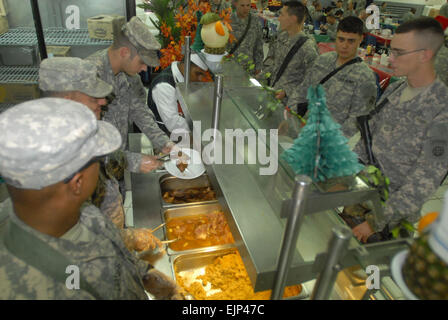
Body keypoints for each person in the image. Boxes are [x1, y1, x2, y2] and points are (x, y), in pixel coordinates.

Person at [0, 98, 184, 299]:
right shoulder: (36, 288)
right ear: (78, 182)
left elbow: (103, 246)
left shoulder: (73, 213)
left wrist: (148, 273)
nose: (103, 166)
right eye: (98, 160)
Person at [38, 57, 162, 253]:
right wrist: (129, 238)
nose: (103, 102)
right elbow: (78, 234)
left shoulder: (78, 128)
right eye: (93, 97)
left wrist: (135, 161)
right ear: (68, 101)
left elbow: (104, 157)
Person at [353, 17, 448, 243]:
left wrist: (376, 220)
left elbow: (424, 181)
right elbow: (367, 137)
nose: (390, 58)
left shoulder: (442, 108)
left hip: (388, 222)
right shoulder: (396, 89)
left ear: (424, 55)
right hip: (359, 200)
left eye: (398, 52)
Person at [85, 17, 174, 180]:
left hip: (117, 166)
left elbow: (139, 110)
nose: (145, 68)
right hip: (92, 175)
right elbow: (86, 140)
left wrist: (162, 142)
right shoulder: (89, 77)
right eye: (142, 61)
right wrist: (132, 161)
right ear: (125, 52)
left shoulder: (130, 76)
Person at [288, 16, 377, 139]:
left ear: (361, 39)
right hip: (304, 129)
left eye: (351, 41)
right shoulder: (323, 60)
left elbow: (357, 120)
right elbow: (302, 90)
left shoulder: (365, 76)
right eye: (341, 39)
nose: (344, 46)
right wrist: (290, 117)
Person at [261, 1, 318, 106]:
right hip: (272, 95)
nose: (278, 18)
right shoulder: (281, 37)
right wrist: (260, 77)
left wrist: (287, 92)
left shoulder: (308, 48)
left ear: (293, 19)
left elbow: (312, 82)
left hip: (289, 105)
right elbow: (272, 62)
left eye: (282, 15)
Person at [148, 54, 209, 136]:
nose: (200, 79)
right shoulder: (164, 85)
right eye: (198, 74)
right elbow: (173, 124)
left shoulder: (184, 77)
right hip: (163, 136)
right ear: (185, 67)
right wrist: (202, 127)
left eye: (202, 75)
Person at [228, 0, 264, 74]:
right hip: (230, 67)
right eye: (242, 5)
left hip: (248, 68)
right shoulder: (228, 20)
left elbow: (258, 45)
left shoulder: (255, 20)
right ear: (235, 4)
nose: (246, 8)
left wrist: (258, 67)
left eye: (248, 5)